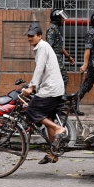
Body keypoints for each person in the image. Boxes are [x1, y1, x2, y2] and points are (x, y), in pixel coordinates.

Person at [21, 23, 67, 165]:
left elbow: (39, 68)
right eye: (28, 36)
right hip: (54, 88)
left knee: (31, 110)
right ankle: (53, 154)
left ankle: (59, 129)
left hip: (51, 89)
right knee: (48, 119)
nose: (30, 38)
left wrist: (32, 87)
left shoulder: (42, 46)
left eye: (32, 36)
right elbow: (41, 71)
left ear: (39, 36)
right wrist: (31, 85)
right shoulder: (42, 47)